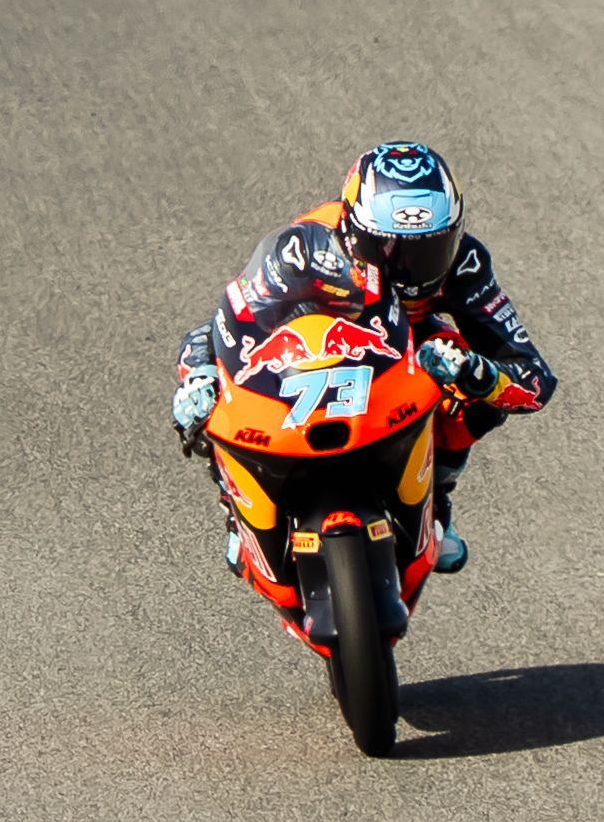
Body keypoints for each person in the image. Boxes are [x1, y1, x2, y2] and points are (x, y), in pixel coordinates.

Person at [171, 142, 555, 578]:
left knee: (472, 383)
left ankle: (436, 499)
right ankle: (235, 505)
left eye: (428, 251)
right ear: (351, 232)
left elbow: (533, 378)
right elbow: (222, 324)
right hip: (319, 341)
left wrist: (478, 375)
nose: (406, 271)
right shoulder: (305, 248)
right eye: (385, 249)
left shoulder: (465, 264)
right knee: (208, 397)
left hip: (409, 345)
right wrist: (199, 372)